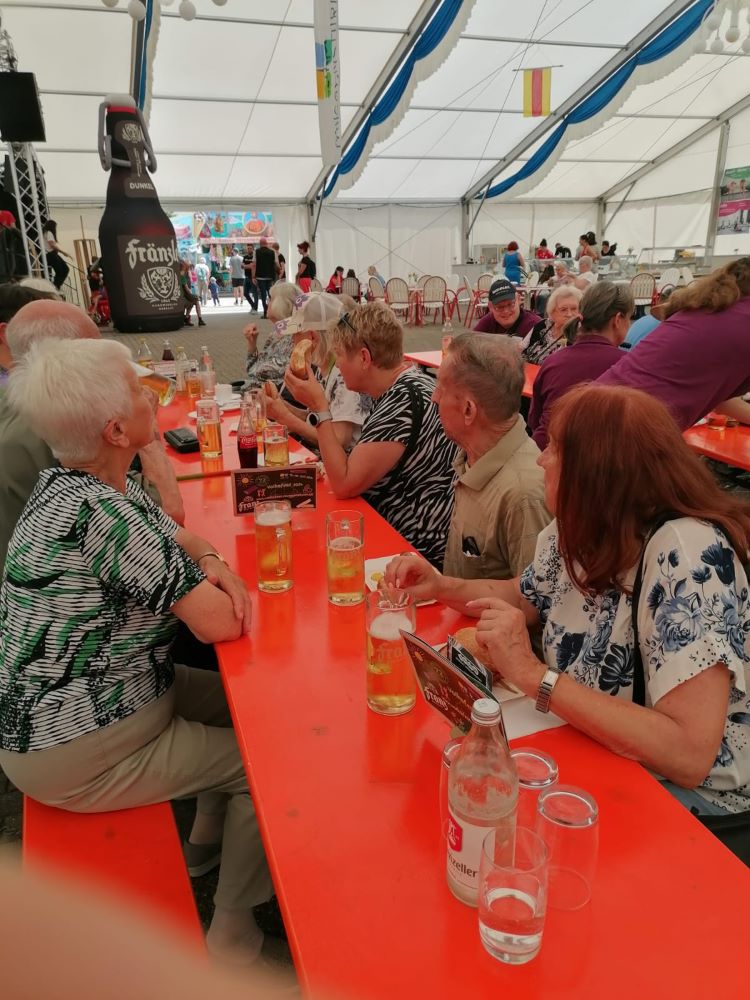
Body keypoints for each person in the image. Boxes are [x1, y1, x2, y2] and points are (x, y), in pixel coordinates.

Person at [0, 337, 275, 965]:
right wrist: (223, 574)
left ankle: (204, 843)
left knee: (245, 708)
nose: (156, 390)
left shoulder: (67, 485)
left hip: (83, 704)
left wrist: (207, 556)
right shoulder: (106, 515)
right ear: (116, 428)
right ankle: (233, 936)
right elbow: (220, 625)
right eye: (141, 387)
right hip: (72, 743)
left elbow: (171, 529)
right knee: (259, 764)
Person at [385, 382, 750, 818]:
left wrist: (533, 675)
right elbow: (524, 596)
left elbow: (688, 755)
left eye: (555, 447)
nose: (540, 457)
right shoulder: (578, 527)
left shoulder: (686, 558)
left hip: (690, 805)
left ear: (595, 472)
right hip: (596, 750)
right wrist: (442, 586)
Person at [0, 297, 185, 573]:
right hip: (75, 596)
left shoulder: (15, 404)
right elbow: (170, 515)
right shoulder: (69, 423)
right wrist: (147, 435)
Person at [285, 302, 456, 567]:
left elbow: (343, 484)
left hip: (415, 548)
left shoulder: (402, 401)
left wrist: (319, 407)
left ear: (364, 358)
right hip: (414, 537)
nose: (338, 366)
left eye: (340, 355)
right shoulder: (407, 384)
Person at [432, 333, 550, 580]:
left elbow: (534, 606)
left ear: (468, 410)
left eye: (441, 389)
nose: (434, 397)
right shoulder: (474, 453)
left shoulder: (523, 494)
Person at [598, 258, 750, 427]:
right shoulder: (741, 320)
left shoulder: (699, 311)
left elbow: (722, 401)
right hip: (626, 429)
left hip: (586, 409)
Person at [528, 281, 633, 450]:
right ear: (618, 320)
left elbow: (534, 421)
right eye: (630, 318)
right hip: (592, 460)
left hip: (543, 452)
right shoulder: (628, 365)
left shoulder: (553, 361)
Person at [265, 293, 372, 452]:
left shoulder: (344, 374)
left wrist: (284, 417)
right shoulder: (324, 367)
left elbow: (339, 440)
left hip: (347, 467)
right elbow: (317, 420)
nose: (292, 340)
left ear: (313, 337)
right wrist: (282, 406)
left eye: (296, 333)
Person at [241, 281, 300, 392]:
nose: (267, 302)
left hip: (271, 398)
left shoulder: (294, 338)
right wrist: (252, 343)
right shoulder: (275, 335)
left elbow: (264, 373)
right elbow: (251, 370)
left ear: (281, 304)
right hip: (257, 394)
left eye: (271, 299)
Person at [521, 286, 583, 365]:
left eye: (574, 309)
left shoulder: (581, 334)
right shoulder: (543, 325)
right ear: (552, 312)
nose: (569, 314)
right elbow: (521, 349)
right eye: (563, 309)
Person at [474, 278, 541, 337]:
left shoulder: (534, 326)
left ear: (518, 300)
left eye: (510, 304)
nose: (506, 311)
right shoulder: (487, 323)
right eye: (499, 307)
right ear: (490, 307)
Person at [42, 219, 71, 291]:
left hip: (51, 254)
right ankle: (55, 287)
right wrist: (63, 252)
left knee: (65, 269)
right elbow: (52, 245)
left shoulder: (46, 233)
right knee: (61, 271)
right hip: (51, 254)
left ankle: (56, 286)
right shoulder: (49, 233)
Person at [253, 238, 278, 319]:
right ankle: (273, 312)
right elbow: (276, 264)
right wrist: (278, 272)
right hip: (271, 277)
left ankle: (265, 313)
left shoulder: (256, 252)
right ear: (266, 243)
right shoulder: (273, 252)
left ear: (260, 243)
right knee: (271, 295)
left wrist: (253, 276)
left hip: (260, 277)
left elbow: (254, 264)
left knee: (263, 295)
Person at [179, 260, 206, 327]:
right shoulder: (182, 277)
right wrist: (194, 296)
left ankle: (186, 317)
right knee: (195, 301)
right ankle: (199, 319)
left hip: (181, 298)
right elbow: (187, 290)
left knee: (192, 301)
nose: (188, 271)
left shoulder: (179, 275)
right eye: (187, 269)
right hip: (182, 299)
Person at [242, 245, 257, 311]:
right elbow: (242, 266)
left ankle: (255, 308)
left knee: (254, 292)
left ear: (253, 249)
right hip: (247, 277)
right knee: (245, 293)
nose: (249, 249)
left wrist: (246, 266)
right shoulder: (245, 257)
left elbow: (253, 266)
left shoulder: (255, 257)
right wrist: (249, 266)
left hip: (253, 277)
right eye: (248, 248)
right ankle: (253, 305)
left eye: (250, 248)